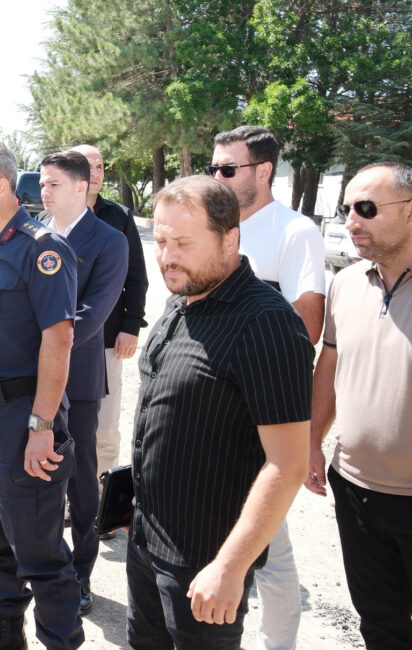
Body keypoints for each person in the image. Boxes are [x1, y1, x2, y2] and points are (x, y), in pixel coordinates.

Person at [127, 175, 313, 649]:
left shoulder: (267, 323)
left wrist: (230, 568)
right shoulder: (180, 301)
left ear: (230, 239)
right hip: (147, 543)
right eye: (162, 240)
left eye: (184, 243)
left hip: (206, 560)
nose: (168, 255)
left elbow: (287, 463)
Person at [0, 140, 83, 650]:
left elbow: (60, 338)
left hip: (21, 417)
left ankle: (61, 642)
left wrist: (42, 426)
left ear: (2, 186)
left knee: (38, 548)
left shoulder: (42, 249)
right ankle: (7, 633)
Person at [209, 125, 327, 650]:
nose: (217, 176)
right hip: (211, 403)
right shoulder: (216, 224)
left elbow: (308, 324)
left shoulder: (294, 231)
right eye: (213, 168)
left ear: (262, 172)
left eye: (227, 169)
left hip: (262, 407)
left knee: (268, 539)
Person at [307, 161, 412, 649]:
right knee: (380, 622)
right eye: (346, 208)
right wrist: (311, 442)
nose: (351, 221)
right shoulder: (346, 284)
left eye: (365, 208)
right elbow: (328, 366)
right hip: (356, 489)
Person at [37, 150, 127, 615]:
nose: (43, 191)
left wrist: (44, 341)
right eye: (42, 183)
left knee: (82, 483)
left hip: (81, 379)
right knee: (40, 473)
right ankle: (45, 566)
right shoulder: (36, 235)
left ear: (81, 187)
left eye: (53, 184)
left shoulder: (109, 240)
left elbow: (93, 315)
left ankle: (81, 574)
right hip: (30, 378)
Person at [69, 145, 148, 494]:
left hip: (105, 343)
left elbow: (137, 277)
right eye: (89, 166)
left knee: (103, 428)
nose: (97, 173)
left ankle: (101, 502)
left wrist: (130, 327)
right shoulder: (49, 219)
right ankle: (66, 496)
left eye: (101, 166)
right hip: (55, 341)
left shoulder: (119, 217)